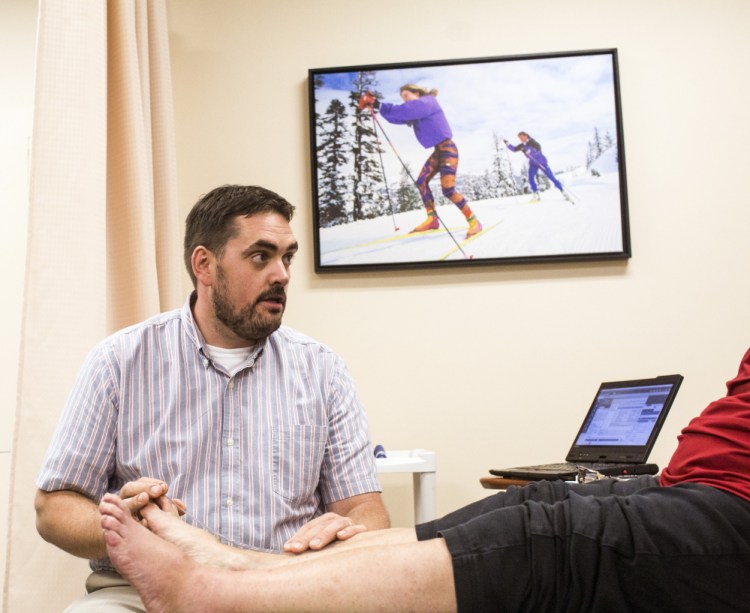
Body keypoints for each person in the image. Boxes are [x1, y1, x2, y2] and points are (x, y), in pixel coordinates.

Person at [99, 347, 750, 611]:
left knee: (551, 533)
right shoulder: (134, 354)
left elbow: (365, 507)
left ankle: (211, 594)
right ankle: (241, 562)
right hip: (697, 485)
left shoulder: (316, 367)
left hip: (733, 506)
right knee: (531, 500)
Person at [35, 184, 390, 611]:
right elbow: (54, 508)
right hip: (141, 592)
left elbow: (365, 510)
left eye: (287, 256)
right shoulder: (119, 361)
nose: (282, 274)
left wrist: (346, 530)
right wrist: (122, 524)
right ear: (204, 264)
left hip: (281, 588)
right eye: (261, 256)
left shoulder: (323, 371)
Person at [359, 85, 483, 238]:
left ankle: (474, 221)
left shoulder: (427, 102)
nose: (404, 100)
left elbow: (406, 110)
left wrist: (378, 104)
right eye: (402, 98)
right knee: (421, 182)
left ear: (417, 93)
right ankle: (432, 219)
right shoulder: (416, 109)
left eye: (406, 95)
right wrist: (377, 108)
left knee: (448, 189)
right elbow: (398, 117)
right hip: (438, 152)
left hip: (448, 149)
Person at [504, 131, 574, 203]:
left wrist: (529, 151)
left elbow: (538, 150)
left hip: (541, 162)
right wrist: (507, 144)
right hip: (533, 164)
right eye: (519, 138)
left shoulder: (533, 142)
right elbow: (514, 149)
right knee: (531, 178)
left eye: (522, 138)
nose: (521, 140)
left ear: (526, 136)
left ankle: (563, 192)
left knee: (551, 177)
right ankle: (536, 195)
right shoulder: (522, 145)